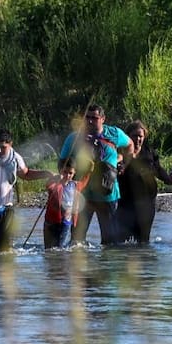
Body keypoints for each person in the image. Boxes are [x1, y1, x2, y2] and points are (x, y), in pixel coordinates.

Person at [58, 104, 135, 245]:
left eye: (94, 118)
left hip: (108, 195)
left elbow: (130, 145)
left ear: (103, 119)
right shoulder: (74, 138)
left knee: (109, 242)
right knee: (77, 241)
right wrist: (65, 179)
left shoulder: (114, 134)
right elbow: (61, 162)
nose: (90, 121)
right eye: (87, 117)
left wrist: (124, 164)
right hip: (82, 195)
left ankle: (104, 267)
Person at [117, 120, 172, 243]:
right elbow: (115, 165)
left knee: (143, 240)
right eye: (134, 136)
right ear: (127, 137)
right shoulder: (121, 153)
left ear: (144, 137)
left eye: (140, 136)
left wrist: (168, 179)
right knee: (121, 240)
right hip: (126, 203)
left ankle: (143, 259)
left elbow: (158, 169)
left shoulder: (149, 153)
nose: (137, 139)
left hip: (147, 203)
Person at [42, 159, 83, 249]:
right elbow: (48, 186)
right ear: (60, 171)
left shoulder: (75, 185)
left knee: (59, 249)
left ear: (74, 173)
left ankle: (60, 262)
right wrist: (55, 179)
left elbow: (85, 180)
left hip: (65, 222)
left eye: (70, 173)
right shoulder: (55, 183)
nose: (67, 175)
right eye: (65, 172)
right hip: (50, 222)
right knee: (48, 249)